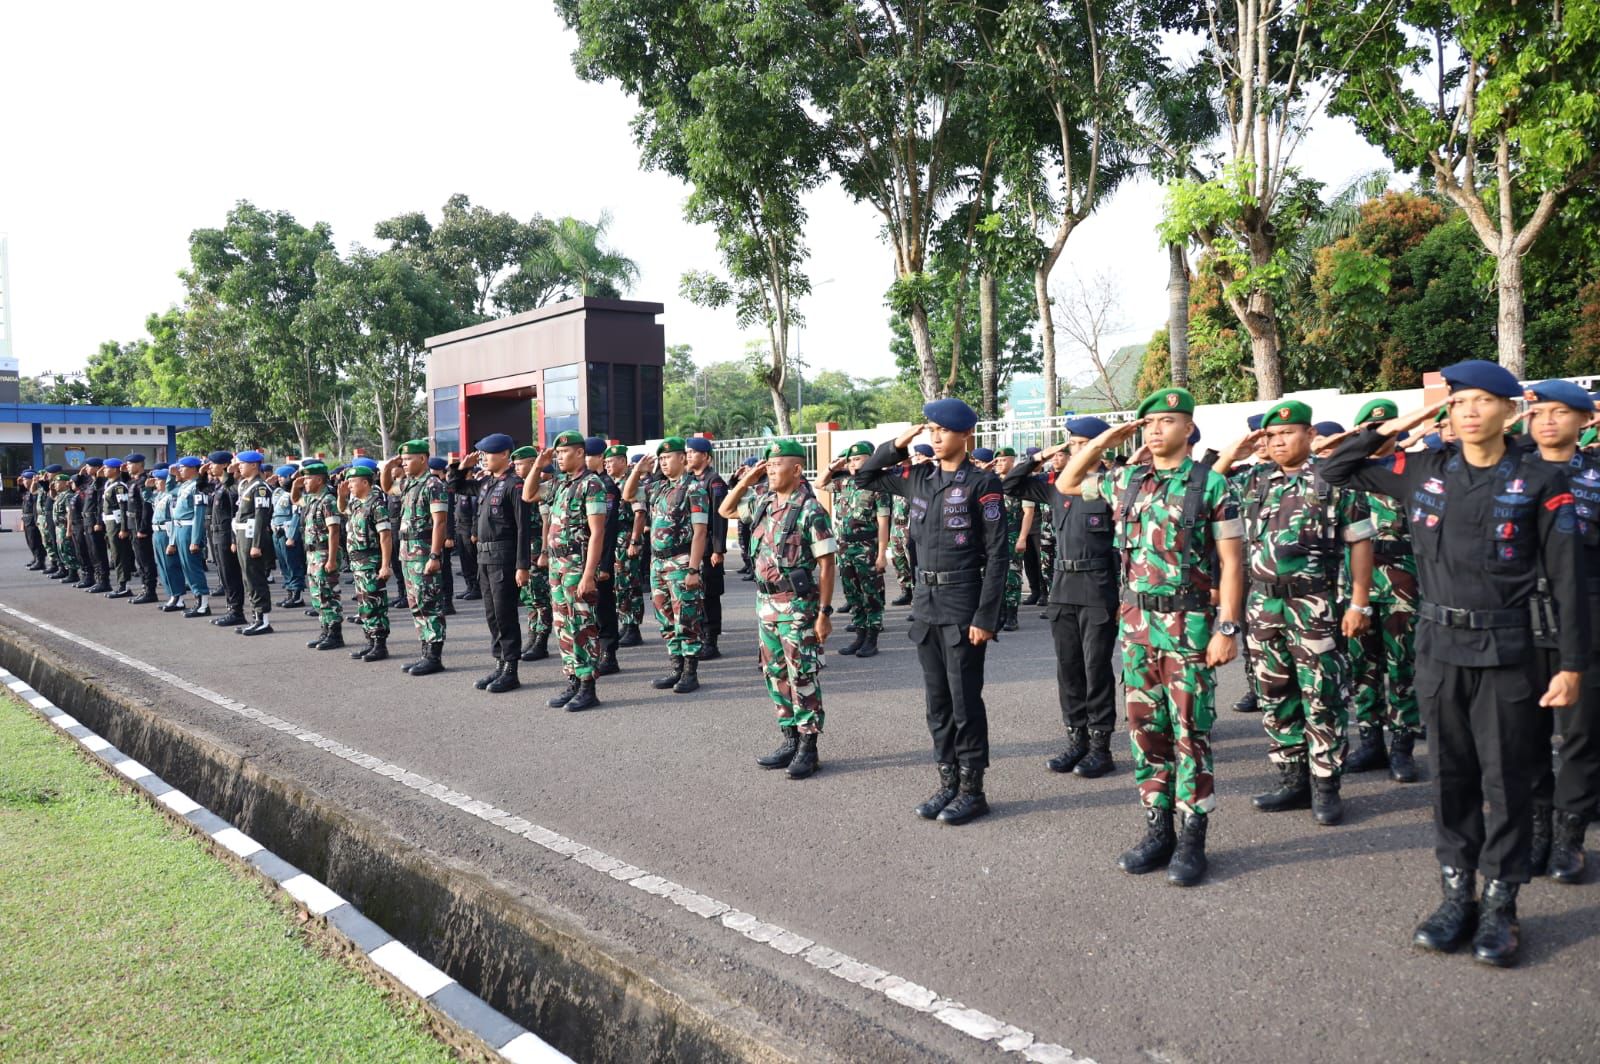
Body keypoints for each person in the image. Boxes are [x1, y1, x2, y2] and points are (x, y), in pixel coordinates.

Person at [1321, 360, 1587, 967]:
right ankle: (1456, 896)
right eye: (1458, 401)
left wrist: (1571, 665)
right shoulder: (1422, 470)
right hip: (1438, 649)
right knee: (1450, 778)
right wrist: (1403, 419)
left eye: (1481, 401)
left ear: (1508, 410)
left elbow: (1569, 581)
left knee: (1507, 781)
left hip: (1508, 653)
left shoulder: (1541, 480)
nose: (1468, 411)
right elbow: (1332, 466)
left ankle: (1501, 904)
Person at [1056, 388, 1245, 885]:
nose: (1155, 430)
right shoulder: (1127, 482)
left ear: (1188, 427)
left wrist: (1228, 629)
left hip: (1190, 631)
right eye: (1147, 424)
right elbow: (1067, 481)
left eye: (1166, 421)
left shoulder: (1212, 485)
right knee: (1145, 732)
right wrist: (1108, 440)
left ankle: (1192, 837)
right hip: (1138, 631)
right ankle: (1157, 830)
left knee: (1191, 734)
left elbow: (1231, 564)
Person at [1211, 401, 1375, 826]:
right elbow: (1205, 485)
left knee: (1322, 695)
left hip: (1315, 604)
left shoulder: (1332, 479)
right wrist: (1236, 451)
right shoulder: (1252, 480)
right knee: (1274, 693)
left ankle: (1326, 784)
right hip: (1263, 606)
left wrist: (1359, 602)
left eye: (1287, 433)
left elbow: (1360, 541)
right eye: (1270, 435)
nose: (1277, 441)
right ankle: (1292, 778)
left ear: (1308, 434)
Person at [856, 401, 1009, 825]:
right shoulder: (917, 477)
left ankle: (972, 789)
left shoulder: (983, 485)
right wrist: (899, 442)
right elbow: (865, 476)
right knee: (937, 703)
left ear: (966, 436)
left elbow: (997, 557)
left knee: (964, 702)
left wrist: (985, 617)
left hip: (963, 603)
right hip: (925, 603)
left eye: (944, 430)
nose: (935, 437)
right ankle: (947, 783)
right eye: (932, 430)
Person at [1004, 418, 1120, 778]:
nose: (1076, 449)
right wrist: (1041, 455)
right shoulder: (1055, 485)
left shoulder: (1113, 486)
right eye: (1072, 443)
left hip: (1099, 586)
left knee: (1095, 669)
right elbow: (1010, 483)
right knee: (1068, 669)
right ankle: (1076, 741)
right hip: (1062, 587)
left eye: (1085, 442)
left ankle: (1101, 748)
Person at [1522, 379, 1600, 884]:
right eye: (1538, 413)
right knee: (1523, 735)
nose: (1547, 421)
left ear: (1586, 419)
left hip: (1587, 612)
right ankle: (1537, 831)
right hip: (1520, 614)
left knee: (1582, 733)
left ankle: (1571, 838)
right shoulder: (1510, 472)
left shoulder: (1596, 474)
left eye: (1559, 412)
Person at [721, 440, 837, 778]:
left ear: (797, 469)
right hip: (765, 604)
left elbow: (827, 564)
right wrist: (747, 479)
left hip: (797, 606)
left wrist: (824, 614)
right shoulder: (762, 502)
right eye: (768, 466)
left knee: (802, 675)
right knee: (774, 674)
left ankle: (808, 746)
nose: (770, 470)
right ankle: (788, 738)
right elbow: (725, 510)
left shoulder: (810, 510)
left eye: (776, 465)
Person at [1337, 400, 1422, 782]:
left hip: (1403, 582)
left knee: (1402, 665)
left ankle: (1402, 747)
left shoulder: (1414, 470)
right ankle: (1370, 742)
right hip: (1357, 585)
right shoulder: (1349, 476)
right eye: (1370, 429)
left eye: (1385, 427)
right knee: (1361, 665)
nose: (1379, 434)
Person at [623, 439, 710, 695]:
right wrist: (637, 471)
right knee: (665, 618)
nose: (663, 462)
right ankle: (676, 667)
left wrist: (694, 569)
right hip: (658, 562)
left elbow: (700, 531)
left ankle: (690, 672)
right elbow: (628, 495)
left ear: (683, 459)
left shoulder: (694, 489)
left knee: (686, 618)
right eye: (660, 458)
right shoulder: (657, 487)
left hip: (681, 562)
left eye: (668, 457)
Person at [452, 435, 531, 693]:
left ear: (505, 454)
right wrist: (462, 467)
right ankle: (499, 663)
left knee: (504, 613)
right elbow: (457, 486)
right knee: (491, 614)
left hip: (504, 557)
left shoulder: (514, 485)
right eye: (482, 454)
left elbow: (523, 529)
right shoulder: (486, 483)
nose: (483, 457)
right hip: (484, 557)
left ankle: (511, 669)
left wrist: (522, 565)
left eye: (488, 453)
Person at [539, 431, 609, 708]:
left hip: (576, 566)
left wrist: (589, 574)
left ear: (580, 453)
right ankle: (573, 681)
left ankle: (588, 687)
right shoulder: (560, 484)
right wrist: (539, 463)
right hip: (557, 566)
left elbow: (597, 532)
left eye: (563, 453)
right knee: (562, 625)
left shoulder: (591, 485)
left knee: (582, 626)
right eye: (556, 454)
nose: (558, 458)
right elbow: (530, 493)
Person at [816, 441, 890, 658]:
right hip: (845, 548)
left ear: (870, 459)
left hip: (867, 547)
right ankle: (859, 635)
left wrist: (882, 555)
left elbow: (884, 522)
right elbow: (819, 483)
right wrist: (834, 466)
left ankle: (872, 638)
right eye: (850, 460)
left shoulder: (878, 486)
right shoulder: (843, 483)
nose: (852, 463)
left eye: (857, 459)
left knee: (872, 594)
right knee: (853, 593)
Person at [383, 440, 450, 676]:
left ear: (422, 459)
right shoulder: (410, 483)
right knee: (416, 604)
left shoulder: (433, 484)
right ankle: (425, 651)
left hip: (423, 553)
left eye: (408, 459)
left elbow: (439, 522)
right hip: (408, 553)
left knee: (429, 604)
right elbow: (387, 486)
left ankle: (434, 656)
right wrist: (387, 466)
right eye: (402, 459)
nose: (404, 463)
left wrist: (434, 555)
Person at [340, 463, 393, 662]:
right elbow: (341, 508)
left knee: (375, 603)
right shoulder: (356, 504)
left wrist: (385, 565)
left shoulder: (376, 505)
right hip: (358, 562)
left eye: (352, 481)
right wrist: (342, 494)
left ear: (365, 482)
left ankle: (380, 645)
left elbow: (385, 536)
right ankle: (370, 642)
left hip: (371, 561)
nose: (349, 485)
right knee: (364, 604)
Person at [685, 437, 730, 659]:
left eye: (693, 452)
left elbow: (719, 516)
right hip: (692, 545)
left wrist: (718, 549)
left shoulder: (714, 481)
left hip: (709, 544)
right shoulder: (689, 479)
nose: (689, 455)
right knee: (695, 595)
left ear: (706, 456)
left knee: (710, 594)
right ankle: (699, 635)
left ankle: (711, 640)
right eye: (687, 452)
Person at [292, 461, 344, 650]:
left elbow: (334, 531)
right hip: (313, 553)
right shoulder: (312, 498)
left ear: (320, 479)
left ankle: (335, 634)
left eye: (308, 478)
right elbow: (295, 499)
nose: (304, 481)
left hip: (323, 553)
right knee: (318, 595)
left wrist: (331, 559)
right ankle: (325, 631)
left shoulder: (328, 500)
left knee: (328, 594)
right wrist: (294, 486)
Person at [584, 437, 625, 675]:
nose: (585, 459)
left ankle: (609, 653)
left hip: (601, 557)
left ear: (599, 457)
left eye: (588, 455)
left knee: (604, 606)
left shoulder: (607, 487)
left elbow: (607, 529)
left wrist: (605, 563)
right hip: (586, 556)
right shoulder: (587, 483)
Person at [512, 448, 554, 664]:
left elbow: (547, 522)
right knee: (528, 596)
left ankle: (542, 640)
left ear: (531, 464)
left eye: (520, 464)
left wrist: (545, 552)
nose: (517, 468)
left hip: (538, 546)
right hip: (525, 548)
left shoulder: (541, 487)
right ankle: (532, 635)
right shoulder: (518, 486)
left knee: (540, 596)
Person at [605, 445, 646, 647]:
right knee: (618, 585)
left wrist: (634, 541)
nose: (608, 465)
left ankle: (633, 627)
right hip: (614, 537)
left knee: (629, 584)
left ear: (622, 461)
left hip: (627, 535)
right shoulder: (609, 483)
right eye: (605, 462)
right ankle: (624, 622)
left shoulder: (632, 483)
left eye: (611, 461)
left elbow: (639, 513)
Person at [232, 451, 276, 635]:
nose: (239, 467)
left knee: (256, 578)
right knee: (247, 578)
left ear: (254, 465)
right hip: (242, 535)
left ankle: (263, 620)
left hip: (252, 537)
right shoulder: (244, 485)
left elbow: (260, 518)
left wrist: (257, 544)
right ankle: (255, 617)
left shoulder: (260, 487)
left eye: (242, 464)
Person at [991, 447, 1035, 632]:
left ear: (1012, 462)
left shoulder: (1020, 484)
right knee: (993, 575)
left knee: (1012, 576)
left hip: (1012, 533)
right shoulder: (991, 483)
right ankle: (998, 613)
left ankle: (1011, 615)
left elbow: (1028, 512)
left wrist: (1023, 537)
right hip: (994, 537)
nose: (999, 464)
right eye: (997, 461)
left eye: (1003, 460)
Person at [204, 451, 247, 628]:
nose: (209, 467)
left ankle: (237, 611)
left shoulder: (232, 487)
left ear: (223, 465)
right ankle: (231, 608)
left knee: (231, 574)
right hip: (216, 534)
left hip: (226, 534)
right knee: (223, 573)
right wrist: (201, 474)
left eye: (212, 464)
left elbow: (232, 515)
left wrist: (232, 540)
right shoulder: (218, 486)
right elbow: (202, 488)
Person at [170, 456, 211, 616]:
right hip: (179, 528)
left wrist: (195, 540)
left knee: (193, 567)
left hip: (189, 529)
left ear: (193, 468)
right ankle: (197, 600)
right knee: (186, 567)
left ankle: (203, 604)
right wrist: (171, 476)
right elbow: (169, 490)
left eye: (183, 467)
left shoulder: (197, 487)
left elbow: (199, 514)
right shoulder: (185, 485)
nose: (179, 470)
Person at [118, 454, 158, 605]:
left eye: (130, 464)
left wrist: (143, 528)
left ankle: (150, 591)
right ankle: (145, 588)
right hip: (132, 525)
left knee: (145, 560)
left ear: (139, 464)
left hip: (140, 527)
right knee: (140, 561)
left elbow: (146, 507)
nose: (127, 466)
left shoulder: (143, 482)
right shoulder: (133, 481)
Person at [270, 464, 307, 609]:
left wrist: (292, 535)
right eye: (279, 477)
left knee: (293, 564)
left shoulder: (298, 494)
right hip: (277, 531)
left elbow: (298, 515)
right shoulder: (278, 492)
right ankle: (289, 593)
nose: (280, 480)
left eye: (283, 477)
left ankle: (297, 595)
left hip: (288, 532)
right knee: (284, 564)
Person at [150, 467, 186, 610]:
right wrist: (146, 489)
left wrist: (172, 542)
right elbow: (147, 498)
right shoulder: (159, 495)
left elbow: (173, 518)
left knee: (172, 566)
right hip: (157, 532)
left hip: (167, 533)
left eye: (159, 480)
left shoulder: (172, 497)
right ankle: (171, 595)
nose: (156, 483)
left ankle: (179, 597)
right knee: (162, 566)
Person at [101, 458, 135, 597]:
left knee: (120, 555)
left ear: (115, 469)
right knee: (115, 555)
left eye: (106, 468)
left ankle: (124, 586)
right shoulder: (109, 484)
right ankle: (121, 584)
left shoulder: (119, 486)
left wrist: (123, 528)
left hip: (116, 524)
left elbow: (123, 508)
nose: (104, 470)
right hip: (109, 523)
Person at [453, 464, 481, 601]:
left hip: (469, 528)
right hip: (460, 528)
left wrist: (474, 532)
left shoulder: (473, 491)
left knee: (472, 560)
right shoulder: (461, 491)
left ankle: (476, 587)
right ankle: (469, 586)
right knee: (464, 560)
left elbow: (476, 513)